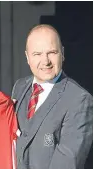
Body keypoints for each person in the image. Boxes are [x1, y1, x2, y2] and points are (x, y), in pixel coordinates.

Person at [11, 24, 93, 169]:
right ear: (27, 57)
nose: (46, 61)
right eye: (37, 54)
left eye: (52, 52)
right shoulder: (20, 87)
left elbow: (67, 163)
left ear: (62, 53)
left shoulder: (80, 100)